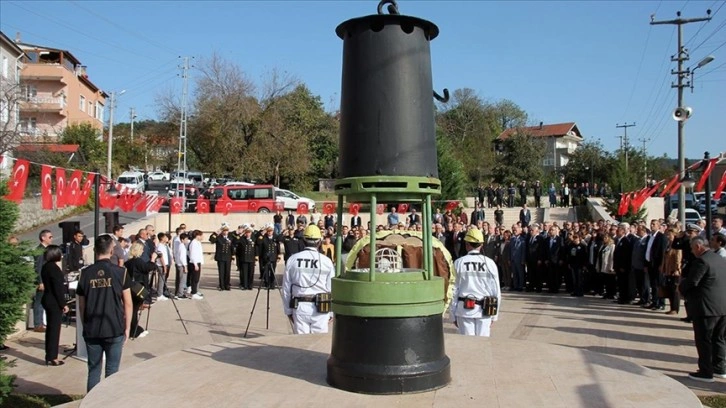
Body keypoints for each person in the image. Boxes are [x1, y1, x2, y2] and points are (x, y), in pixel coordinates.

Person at [76, 235, 132, 392]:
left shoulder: (85, 274)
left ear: (94, 250)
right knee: (112, 371)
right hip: (114, 326)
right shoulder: (121, 272)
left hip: (92, 328)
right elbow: (128, 302)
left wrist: (85, 324)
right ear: (112, 250)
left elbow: (82, 305)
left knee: (93, 370)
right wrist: (127, 327)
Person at [678, 237, 726, 382]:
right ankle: (720, 368)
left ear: (698, 246)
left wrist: (681, 288)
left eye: (692, 249)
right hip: (722, 307)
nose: (692, 252)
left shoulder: (702, 261)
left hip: (706, 307)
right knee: (719, 338)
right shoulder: (718, 259)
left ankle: (706, 372)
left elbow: (692, 282)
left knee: (703, 339)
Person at [282, 225, 334, 334]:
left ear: (303, 240)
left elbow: (286, 289)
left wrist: (288, 311)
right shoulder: (326, 261)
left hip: (300, 306)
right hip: (321, 307)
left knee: (300, 344)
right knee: (317, 343)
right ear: (319, 241)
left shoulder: (293, 259)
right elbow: (331, 289)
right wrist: (331, 312)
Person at [450, 228, 501, 337]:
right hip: (485, 310)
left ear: (467, 244)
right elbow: (496, 291)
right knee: (482, 345)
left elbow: (453, 290)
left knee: (467, 346)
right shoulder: (490, 263)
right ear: (481, 244)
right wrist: (494, 315)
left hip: (464, 310)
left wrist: (452, 314)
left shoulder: (459, 263)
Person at [41, 245, 69, 366]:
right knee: (54, 330)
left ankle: (50, 355)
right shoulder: (54, 269)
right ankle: (53, 357)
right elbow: (58, 288)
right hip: (53, 302)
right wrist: (63, 304)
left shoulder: (45, 267)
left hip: (48, 299)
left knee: (51, 329)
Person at [125, 242, 157, 338]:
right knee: (134, 310)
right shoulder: (138, 261)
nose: (143, 251)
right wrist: (153, 259)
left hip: (130, 288)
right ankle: (134, 331)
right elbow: (147, 268)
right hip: (138, 288)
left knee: (133, 309)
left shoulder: (128, 262)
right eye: (142, 249)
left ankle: (133, 329)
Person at [32, 229, 53, 332]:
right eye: (50, 237)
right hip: (42, 281)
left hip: (46, 280)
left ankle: (42, 323)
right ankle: (38, 324)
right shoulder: (40, 251)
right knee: (39, 302)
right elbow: (38, 267)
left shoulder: (45, 250)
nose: (51, 239)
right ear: (43, 238)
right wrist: (40, 281)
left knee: (43, 302)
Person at [662, 228, 682, 315]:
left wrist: (677, 269)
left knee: (675, 290)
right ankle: (671, 307)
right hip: (667, 270)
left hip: (674, 271)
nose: (668, 236)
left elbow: (678, 258)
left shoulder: (677, 245)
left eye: (669, 235)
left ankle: (675, 308)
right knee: (669, 289)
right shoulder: (668, 245)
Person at [210, 225, 233, 291]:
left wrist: (233, 255)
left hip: (228, 257)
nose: (225, 232)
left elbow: (232, 246)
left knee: (227, 272)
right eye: (224, 231)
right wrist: (216, 233)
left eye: (227, 231)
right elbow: (212, 240)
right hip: (220, 257)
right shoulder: (219, 237)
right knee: (221, 272)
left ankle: (227, 285)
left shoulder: (230, 237)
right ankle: (221, 285)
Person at [188, 230, 204, 299]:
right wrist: (195, 264)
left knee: (197, 278)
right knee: (194, 278)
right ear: (197, 235)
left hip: (198, 262)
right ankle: (193, 293)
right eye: (201, 235)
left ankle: (195, 290)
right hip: (194, 263)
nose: (202, 237)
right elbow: (192, 254)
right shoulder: (193, 243)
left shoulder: (198, 242)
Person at [173, 232, 190, 299]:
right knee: (182, 280)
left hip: (178, 264)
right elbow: (182, 258)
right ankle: (180, 293)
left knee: (178, 280)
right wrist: (185, 267)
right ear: (182, 239)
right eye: (186, 239)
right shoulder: (182, 247)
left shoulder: (179, 246)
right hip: (181, 265)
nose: (187, 240)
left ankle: (177, 292)